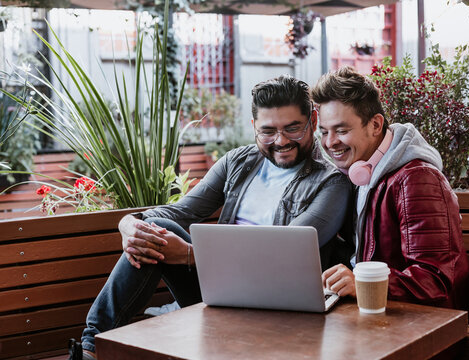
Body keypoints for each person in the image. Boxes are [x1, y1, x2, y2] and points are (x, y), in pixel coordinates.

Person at [69, 75, 352, 360]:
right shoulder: (237, 163)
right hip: (219, 291)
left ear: (313, 121)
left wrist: (192, 256)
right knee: (155, 228)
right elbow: (181, 211)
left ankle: (90, 350)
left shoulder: (332, 183)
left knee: (159, 230)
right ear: (253, 127)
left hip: (277, 305)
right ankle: (90, 349)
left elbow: (285, 255)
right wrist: (129, 223)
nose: (280, 141)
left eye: (292, 129)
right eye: (268, 131)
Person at [312, 66, 469, 312]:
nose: (330, 142)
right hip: (377, 314)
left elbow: (434, 281)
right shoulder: (363, 170)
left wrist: (363, 283)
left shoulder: (418, 180)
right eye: (324, 132)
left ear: (376, 125)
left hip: (426, 328)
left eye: (341, 130)